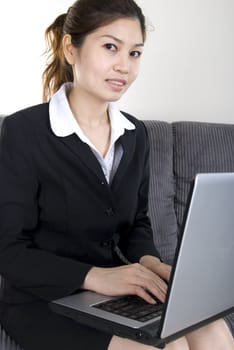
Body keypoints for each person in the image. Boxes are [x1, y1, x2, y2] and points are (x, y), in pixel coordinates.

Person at [0, 0, 233, 349]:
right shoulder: (24, 131)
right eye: (111, 47)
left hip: (115, 293)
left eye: (135, 53)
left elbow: (137, 223)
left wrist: (151, 262)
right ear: (70, 48)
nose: (124, 66)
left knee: (212, 331)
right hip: (45, 300)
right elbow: (8, 250)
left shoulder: (135, 134)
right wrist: (96, 277)